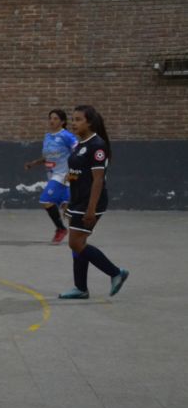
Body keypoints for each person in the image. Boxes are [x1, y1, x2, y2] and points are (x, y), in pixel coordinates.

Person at [58, 105, 129, 300]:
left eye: (78, 119)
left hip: (91, 201)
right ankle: (80, 288)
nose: (74, 123)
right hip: (77, 200)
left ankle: (115, 272)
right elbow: (74, 175)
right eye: (73, 119)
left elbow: (98, 179)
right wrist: (69, 201)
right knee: (78, 244)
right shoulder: (80, 144)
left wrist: (91, 209)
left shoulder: (97, 145)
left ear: (89, 122)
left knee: (75, 242)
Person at [24, 109, 78, 244]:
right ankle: (80, 230)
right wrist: (33, 163)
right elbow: (47, 156)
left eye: (55, 118)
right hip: (52, 174)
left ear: (63, 121)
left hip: (64, 175)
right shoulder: (47, 136)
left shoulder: (67, 136)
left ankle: (61, 229)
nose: (52, 121)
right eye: (50, 118)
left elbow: (80, 151)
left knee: (45, 200)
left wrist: (75, 171)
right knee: (66, 206)